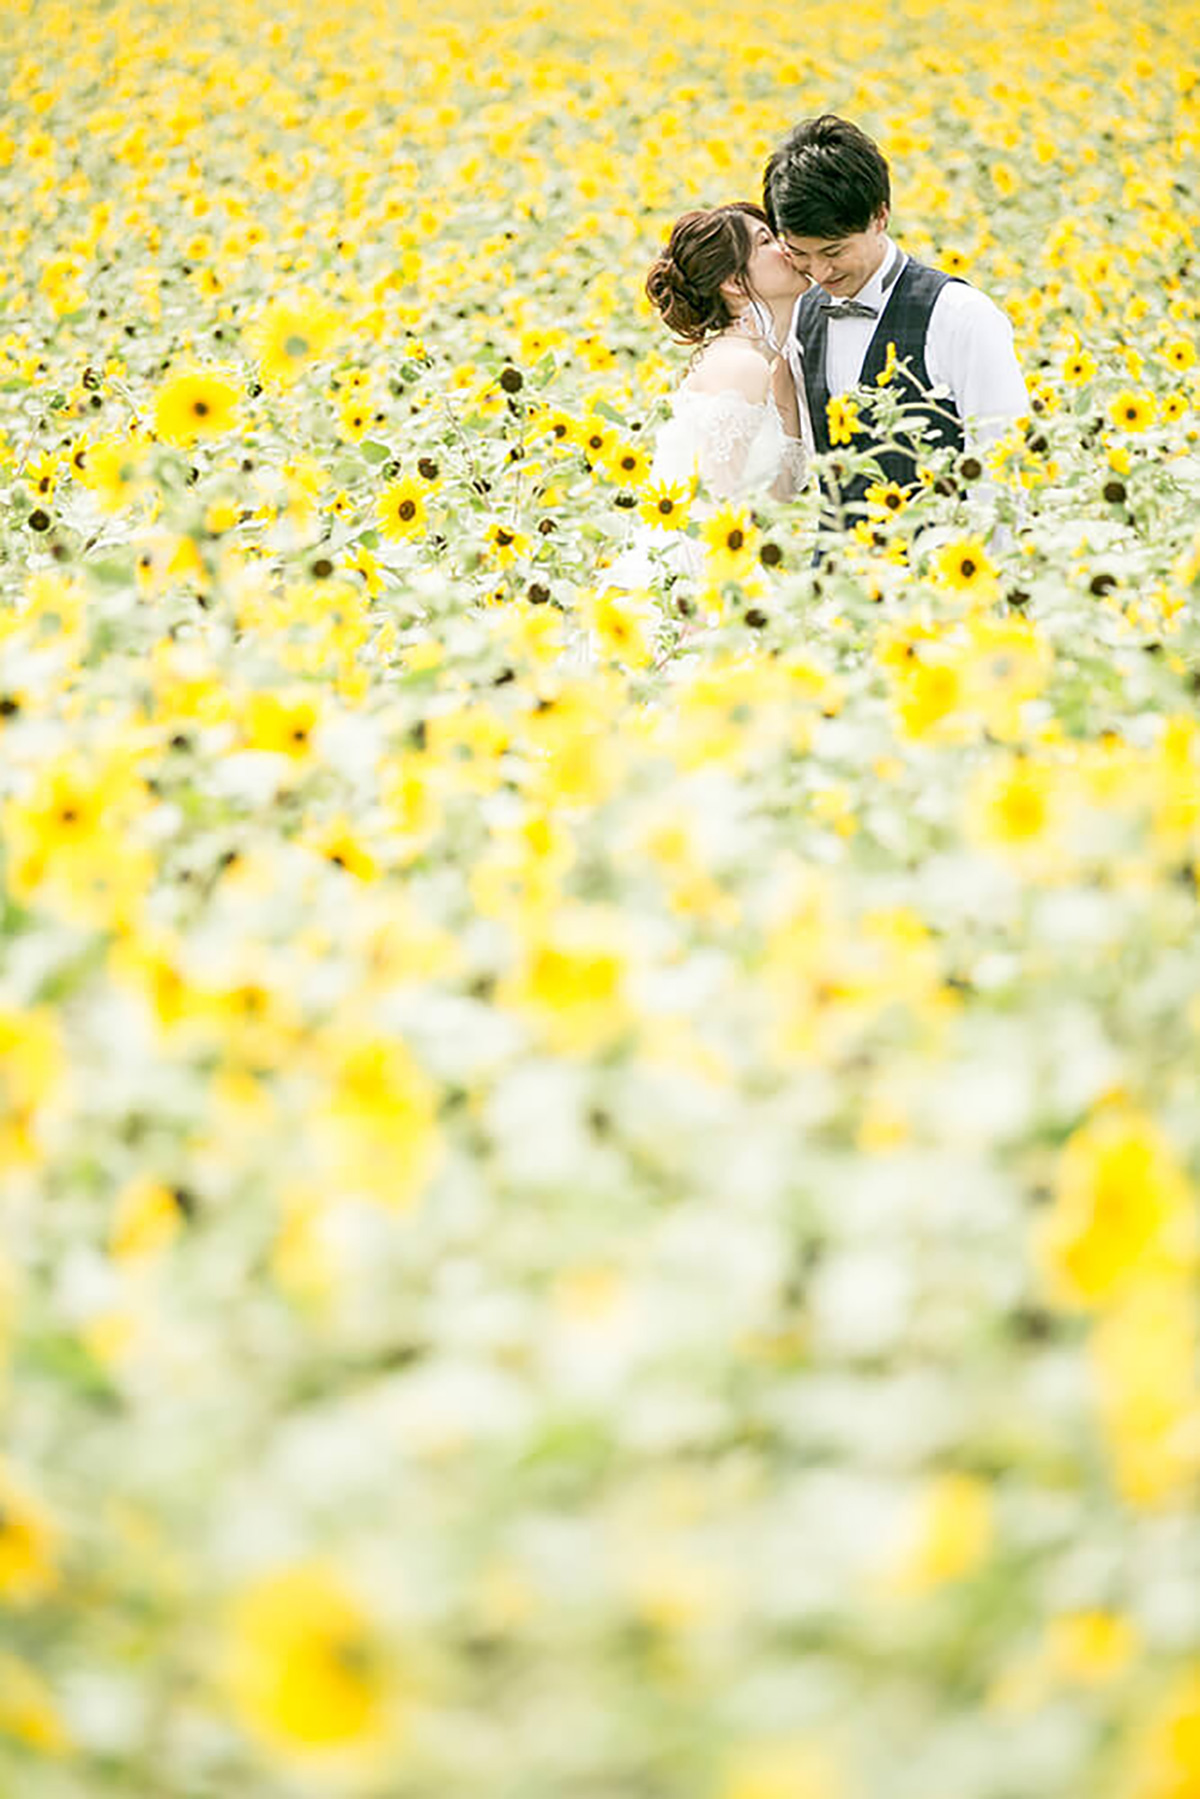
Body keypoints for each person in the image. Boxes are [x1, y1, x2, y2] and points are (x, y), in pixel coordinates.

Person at [763, 115, 1028, 538]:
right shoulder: (801, 314)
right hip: (838, 581)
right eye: (800, 254)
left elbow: (1004, 466)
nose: (820, 271)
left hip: (942, 579)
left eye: (834, 250)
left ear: (880, 216)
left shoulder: (960, 316)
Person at [602, 204, 811, 590]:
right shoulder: (740, 366)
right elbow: (709, 512)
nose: (786, 247)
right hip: (696, 581)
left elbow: (777, 496)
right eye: (766, 241)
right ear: (733, 282)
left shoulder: (772, 366)